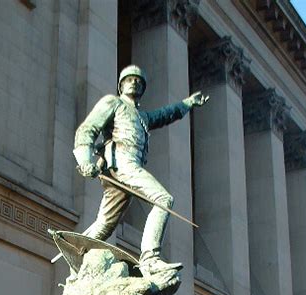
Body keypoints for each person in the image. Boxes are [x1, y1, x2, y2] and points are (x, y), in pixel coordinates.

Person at [73, 64, 209, 277]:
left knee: (106, 224)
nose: (134, 82)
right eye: (129, 79)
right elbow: (88, 128)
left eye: (138, 80)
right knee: (163, 199)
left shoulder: (143, 117)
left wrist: (188, 103)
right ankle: (150, 258)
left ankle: (77, 249)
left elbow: (166, 114)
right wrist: (84, 159)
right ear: (121, 85)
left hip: (126, 169)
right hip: (121, 163)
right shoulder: (113, 103)